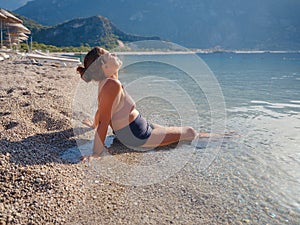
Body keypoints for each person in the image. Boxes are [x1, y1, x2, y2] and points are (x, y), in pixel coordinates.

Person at [77, 47, 226, 162]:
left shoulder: (108, 82)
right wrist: (96, 152)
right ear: (104, 66)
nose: (114, 54)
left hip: (139, 126)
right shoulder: (111, 85)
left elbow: (102, 109)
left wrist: (93, 125)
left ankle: (222, 137)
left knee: (185, 132)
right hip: (137, 136)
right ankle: (226, 142)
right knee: (190, 132)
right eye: (110, 55)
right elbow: (104, 118)